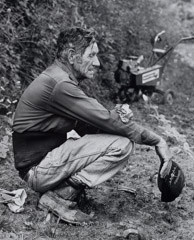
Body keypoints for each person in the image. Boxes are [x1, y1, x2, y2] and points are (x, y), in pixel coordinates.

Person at [12, 27, 172, 224]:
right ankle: (60, 197)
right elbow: (106, 122)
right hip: (37, 170)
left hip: (42, 165)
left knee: (117, 138)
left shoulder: (59, 79)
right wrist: (157, 140)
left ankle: (61, 190)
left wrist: (115, 116)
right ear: (72, 56)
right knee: (122, 145)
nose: (97, 62)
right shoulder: (60, 85)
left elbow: (92, 124)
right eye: (92, 55)